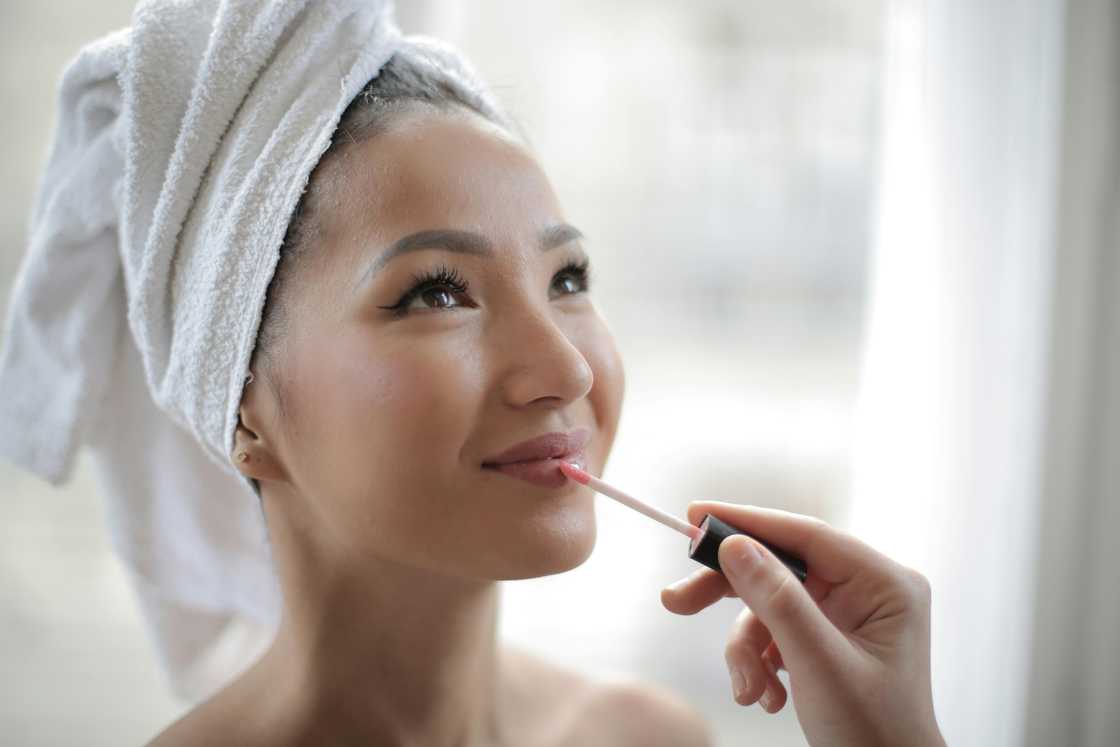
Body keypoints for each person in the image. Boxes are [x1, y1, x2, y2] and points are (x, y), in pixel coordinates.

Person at [139, 49, 947, 747]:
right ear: (242, 403)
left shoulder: (650, 740)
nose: (568, 368)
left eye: (568, 279)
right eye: (436, 294)